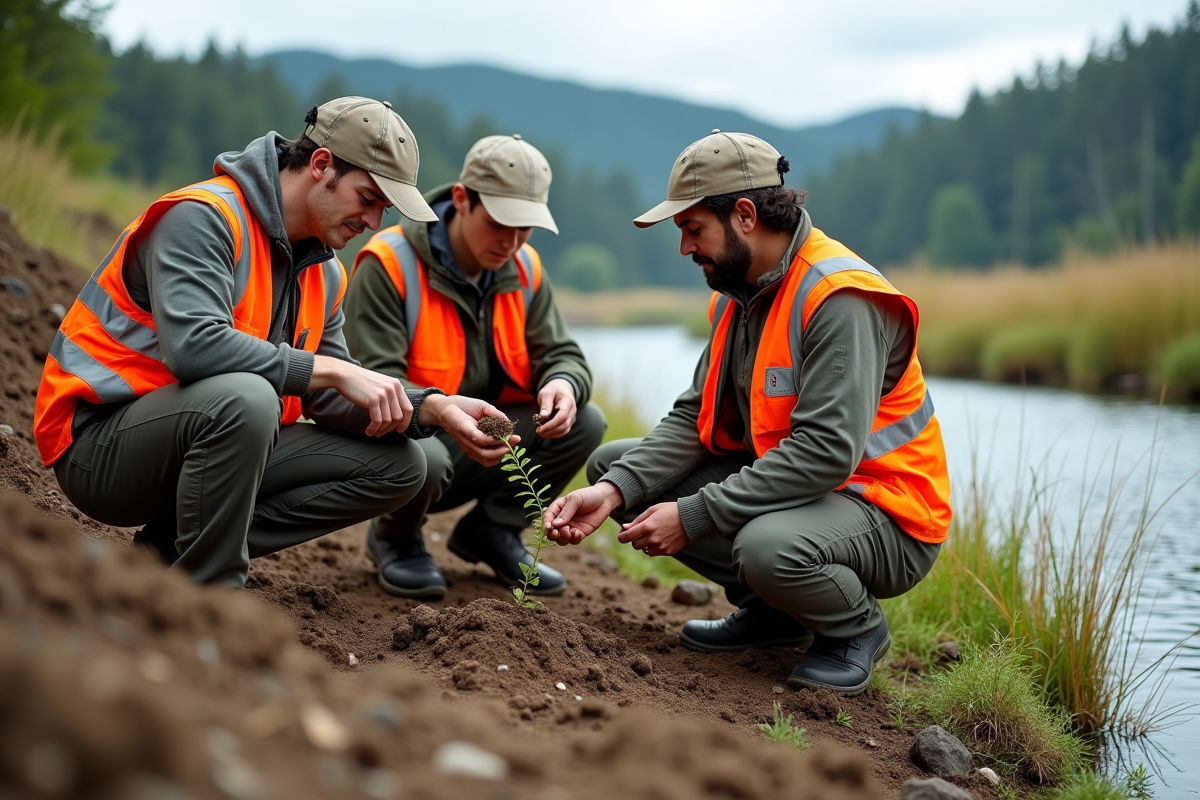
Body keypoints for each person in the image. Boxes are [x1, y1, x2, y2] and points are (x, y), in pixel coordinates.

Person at [34, 96, 508, 588]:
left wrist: (433, 407)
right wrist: (336, 370)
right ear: (321, 165)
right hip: (99, 449)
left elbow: (326, 396)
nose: (373, 223)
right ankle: (211, 590)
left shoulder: (326, 272)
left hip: (208, 442)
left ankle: (170, 551)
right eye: (368, 198)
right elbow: (195, 347)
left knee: (409, 465)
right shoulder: (203, 218)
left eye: (384, 209)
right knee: (249, 397)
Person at [543, 130, 951, 695]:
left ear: (742, 215)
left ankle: (856, 629)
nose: (685, 248)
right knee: (619, 465)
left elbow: (826, 455)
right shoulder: (738, 294)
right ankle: (776, 614)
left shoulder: (839, 297)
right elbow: (694, 418)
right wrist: (614, 493)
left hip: (887, 513)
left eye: (692, 229)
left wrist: (691, 515)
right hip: (809, 497)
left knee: (766, 548)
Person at [344, 133, 605, 600]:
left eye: (526, 228)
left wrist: (563, 383)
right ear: (462, 200)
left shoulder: (524, 266)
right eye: (501, 223)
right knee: (427, 457)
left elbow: (562, 353)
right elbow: (374, 388)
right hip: (409, 439)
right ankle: (394, 537)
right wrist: (440, 412)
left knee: (584, 420)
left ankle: (492, 531)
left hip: (480, 443)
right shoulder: (389, 263)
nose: (512, 241)